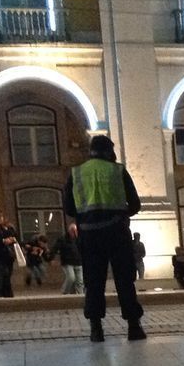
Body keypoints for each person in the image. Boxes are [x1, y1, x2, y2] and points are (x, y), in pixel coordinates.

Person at [63, 134, 145, 343]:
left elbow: (70, 208)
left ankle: (96, 329)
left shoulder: (77, 173)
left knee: (93, 281)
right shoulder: (118, 170)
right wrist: (120, 214)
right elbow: (135, 204)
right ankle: (134, 327)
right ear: (110, 151)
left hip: (90, 236)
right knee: (125, 280)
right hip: (117, 234)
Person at [0, 212, 18, 298]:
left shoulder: (9, 227)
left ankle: (5, 291)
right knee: (5, 273)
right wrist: (4, 241)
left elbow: (15, 236)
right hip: (0, 255)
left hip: (9, 254)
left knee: (9, 273)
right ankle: (6, 292)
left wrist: (12, 239)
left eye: (1, 217)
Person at [50, 224, 84, 294]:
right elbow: (55, 248)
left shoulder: (79, 239)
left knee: (80, 280)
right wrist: (51, 258)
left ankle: (79, 294)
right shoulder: (62, 239)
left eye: (76, 231)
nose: (74, 233)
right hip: (67, 262)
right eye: (73, 231)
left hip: (78, 261)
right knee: (71, 278)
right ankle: (64, 292)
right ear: (69, 231)